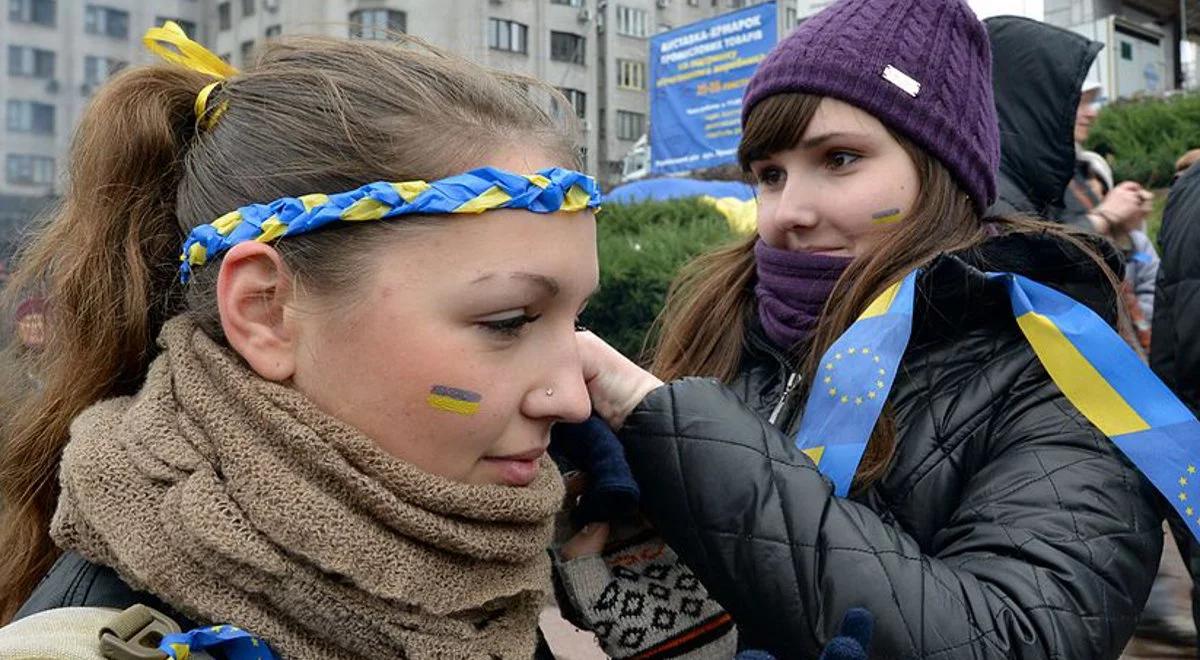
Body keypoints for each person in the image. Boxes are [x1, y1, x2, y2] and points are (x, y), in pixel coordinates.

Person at [571, 0, 1167, 657]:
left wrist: (687, 438)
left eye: (839, 159)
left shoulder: (1054, 376)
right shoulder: (723, 320)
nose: (785, 213)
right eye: (769, 174)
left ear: (940, 171)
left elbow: (1021, 639)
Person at [0, 23, 600, 659]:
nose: (573, 400)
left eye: (577, 320)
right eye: (508, 320)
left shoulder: (475, 574)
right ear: (265, 310)